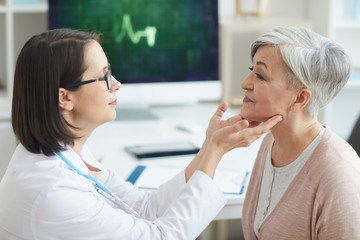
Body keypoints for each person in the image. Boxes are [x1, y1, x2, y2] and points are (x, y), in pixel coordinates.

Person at [0, 28, 282, 240]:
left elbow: (143, 207)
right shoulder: (51, 191)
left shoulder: (65, 150)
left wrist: (210, 145)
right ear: (65, 98)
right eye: (104, 77)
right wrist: (216, 153)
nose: (117, 84)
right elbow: (162, 236)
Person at [240, 26, 360, 239]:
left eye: (259, 75)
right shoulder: (272, 139)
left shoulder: (338, 175)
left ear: (299, 99)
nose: (245, 83)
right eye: (251, 69)